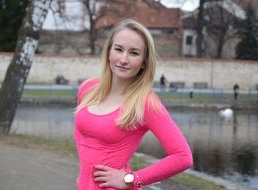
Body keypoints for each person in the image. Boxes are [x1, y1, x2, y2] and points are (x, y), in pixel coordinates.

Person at [74, 19, 193, 189]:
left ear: (144, 62)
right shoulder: (88, 89)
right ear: (109, 52)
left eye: (134, 53)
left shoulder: (145, 103)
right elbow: (82, 133)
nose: (123, 59)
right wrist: (83, 172)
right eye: (118, 49)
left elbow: (183, 157)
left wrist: (130, 179)